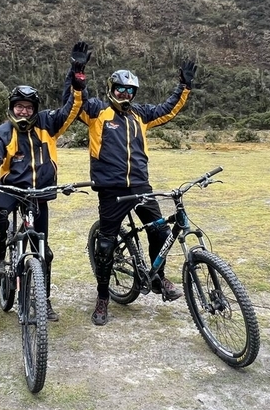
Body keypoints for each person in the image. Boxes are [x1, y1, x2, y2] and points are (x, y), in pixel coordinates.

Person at [65, 42, 197, 326]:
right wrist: (77, 73)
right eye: (120, 89)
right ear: (111, 89)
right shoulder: (96, 111)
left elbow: (169, 109)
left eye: (130, 91)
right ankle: (103, 296)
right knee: (105, 246)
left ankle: (159, 278)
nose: (125, 94)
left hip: (141, 186)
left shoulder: (141, 115)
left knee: (160, 232)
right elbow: (76, 101)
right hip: (111, 190)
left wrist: (183, 86)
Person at [0, 68, 85, 322]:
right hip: (10, 188)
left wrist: (76, 83)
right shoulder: (3, 131)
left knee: (44, 252)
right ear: (12, 107)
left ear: (35, 109)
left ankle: (45, 300)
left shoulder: (48, 124)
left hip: (39, 193)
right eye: (19, 106)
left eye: (28, 107)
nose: (24, 111)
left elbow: (71, 110)